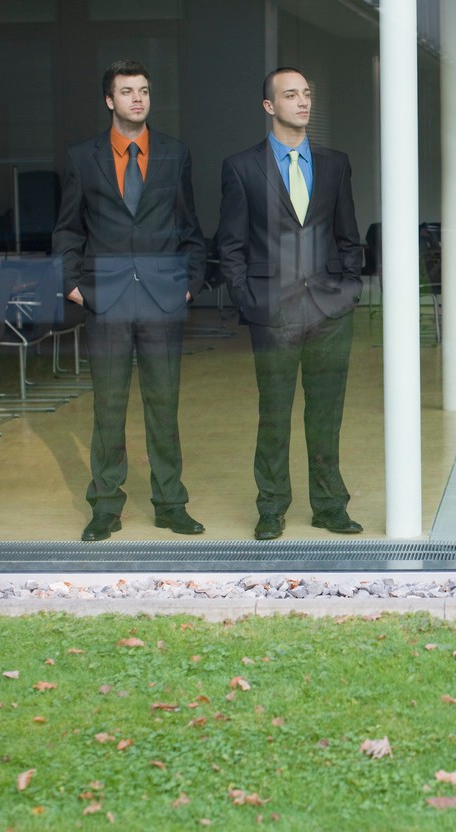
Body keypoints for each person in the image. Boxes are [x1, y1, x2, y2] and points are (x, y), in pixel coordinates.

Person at [53, 59, 207, 542]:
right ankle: (105, 507)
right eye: (126, 91)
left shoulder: (174, 154)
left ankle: (170, 503)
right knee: (109, 408)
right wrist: (72, 286)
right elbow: (68, 229)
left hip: (162, 299)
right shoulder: (83, 157)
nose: (137, 98)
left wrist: (189, 283)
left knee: (164, 406)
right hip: (107, 300)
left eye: (143, 90)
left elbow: (190, 228)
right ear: (109, 100)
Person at [216, 67, 364, 541]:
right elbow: (231, 244)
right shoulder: (241, 167)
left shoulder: (335, 163)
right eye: (290, 95)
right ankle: (272, 507)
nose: (303, 102)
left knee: (327, 413)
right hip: (273, 311)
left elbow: (348, 235)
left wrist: (347, 289)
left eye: (306, 94)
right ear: (269, 106)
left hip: (329, 310)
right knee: (274, 413)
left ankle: (329, 506)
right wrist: (249, 300)